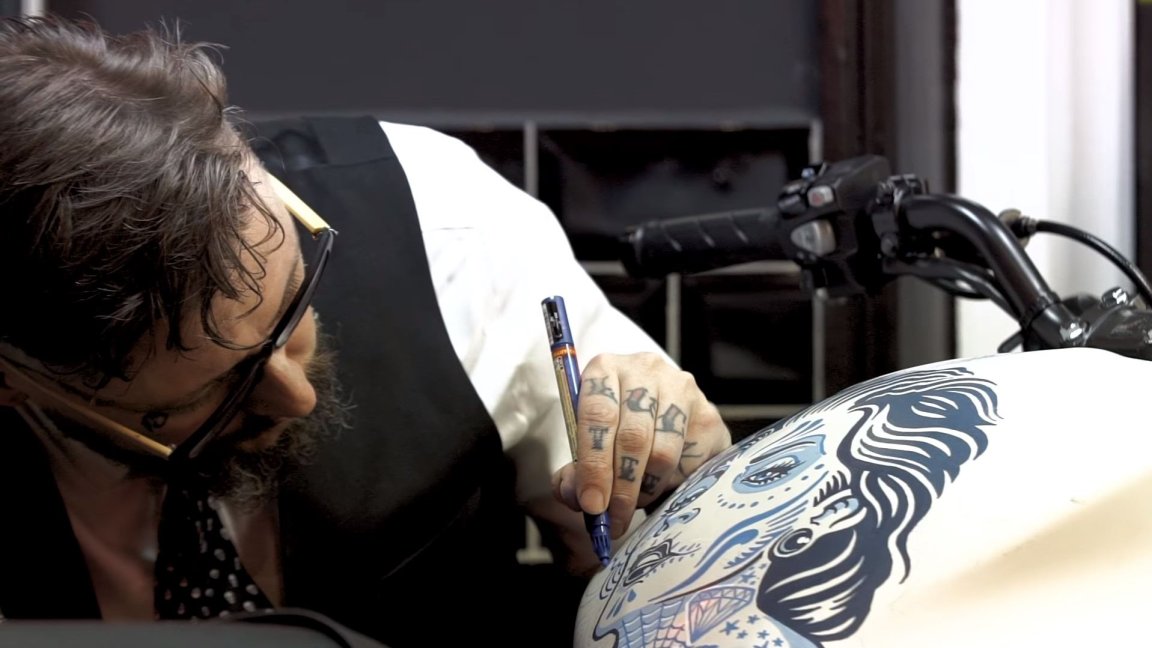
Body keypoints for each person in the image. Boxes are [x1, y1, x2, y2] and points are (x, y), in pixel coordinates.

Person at [0, 15, 731, 648]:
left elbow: (644, 579)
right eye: (206, 395)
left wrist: (682, 491)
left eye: (293, 305)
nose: (297, 396)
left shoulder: (448, 225)